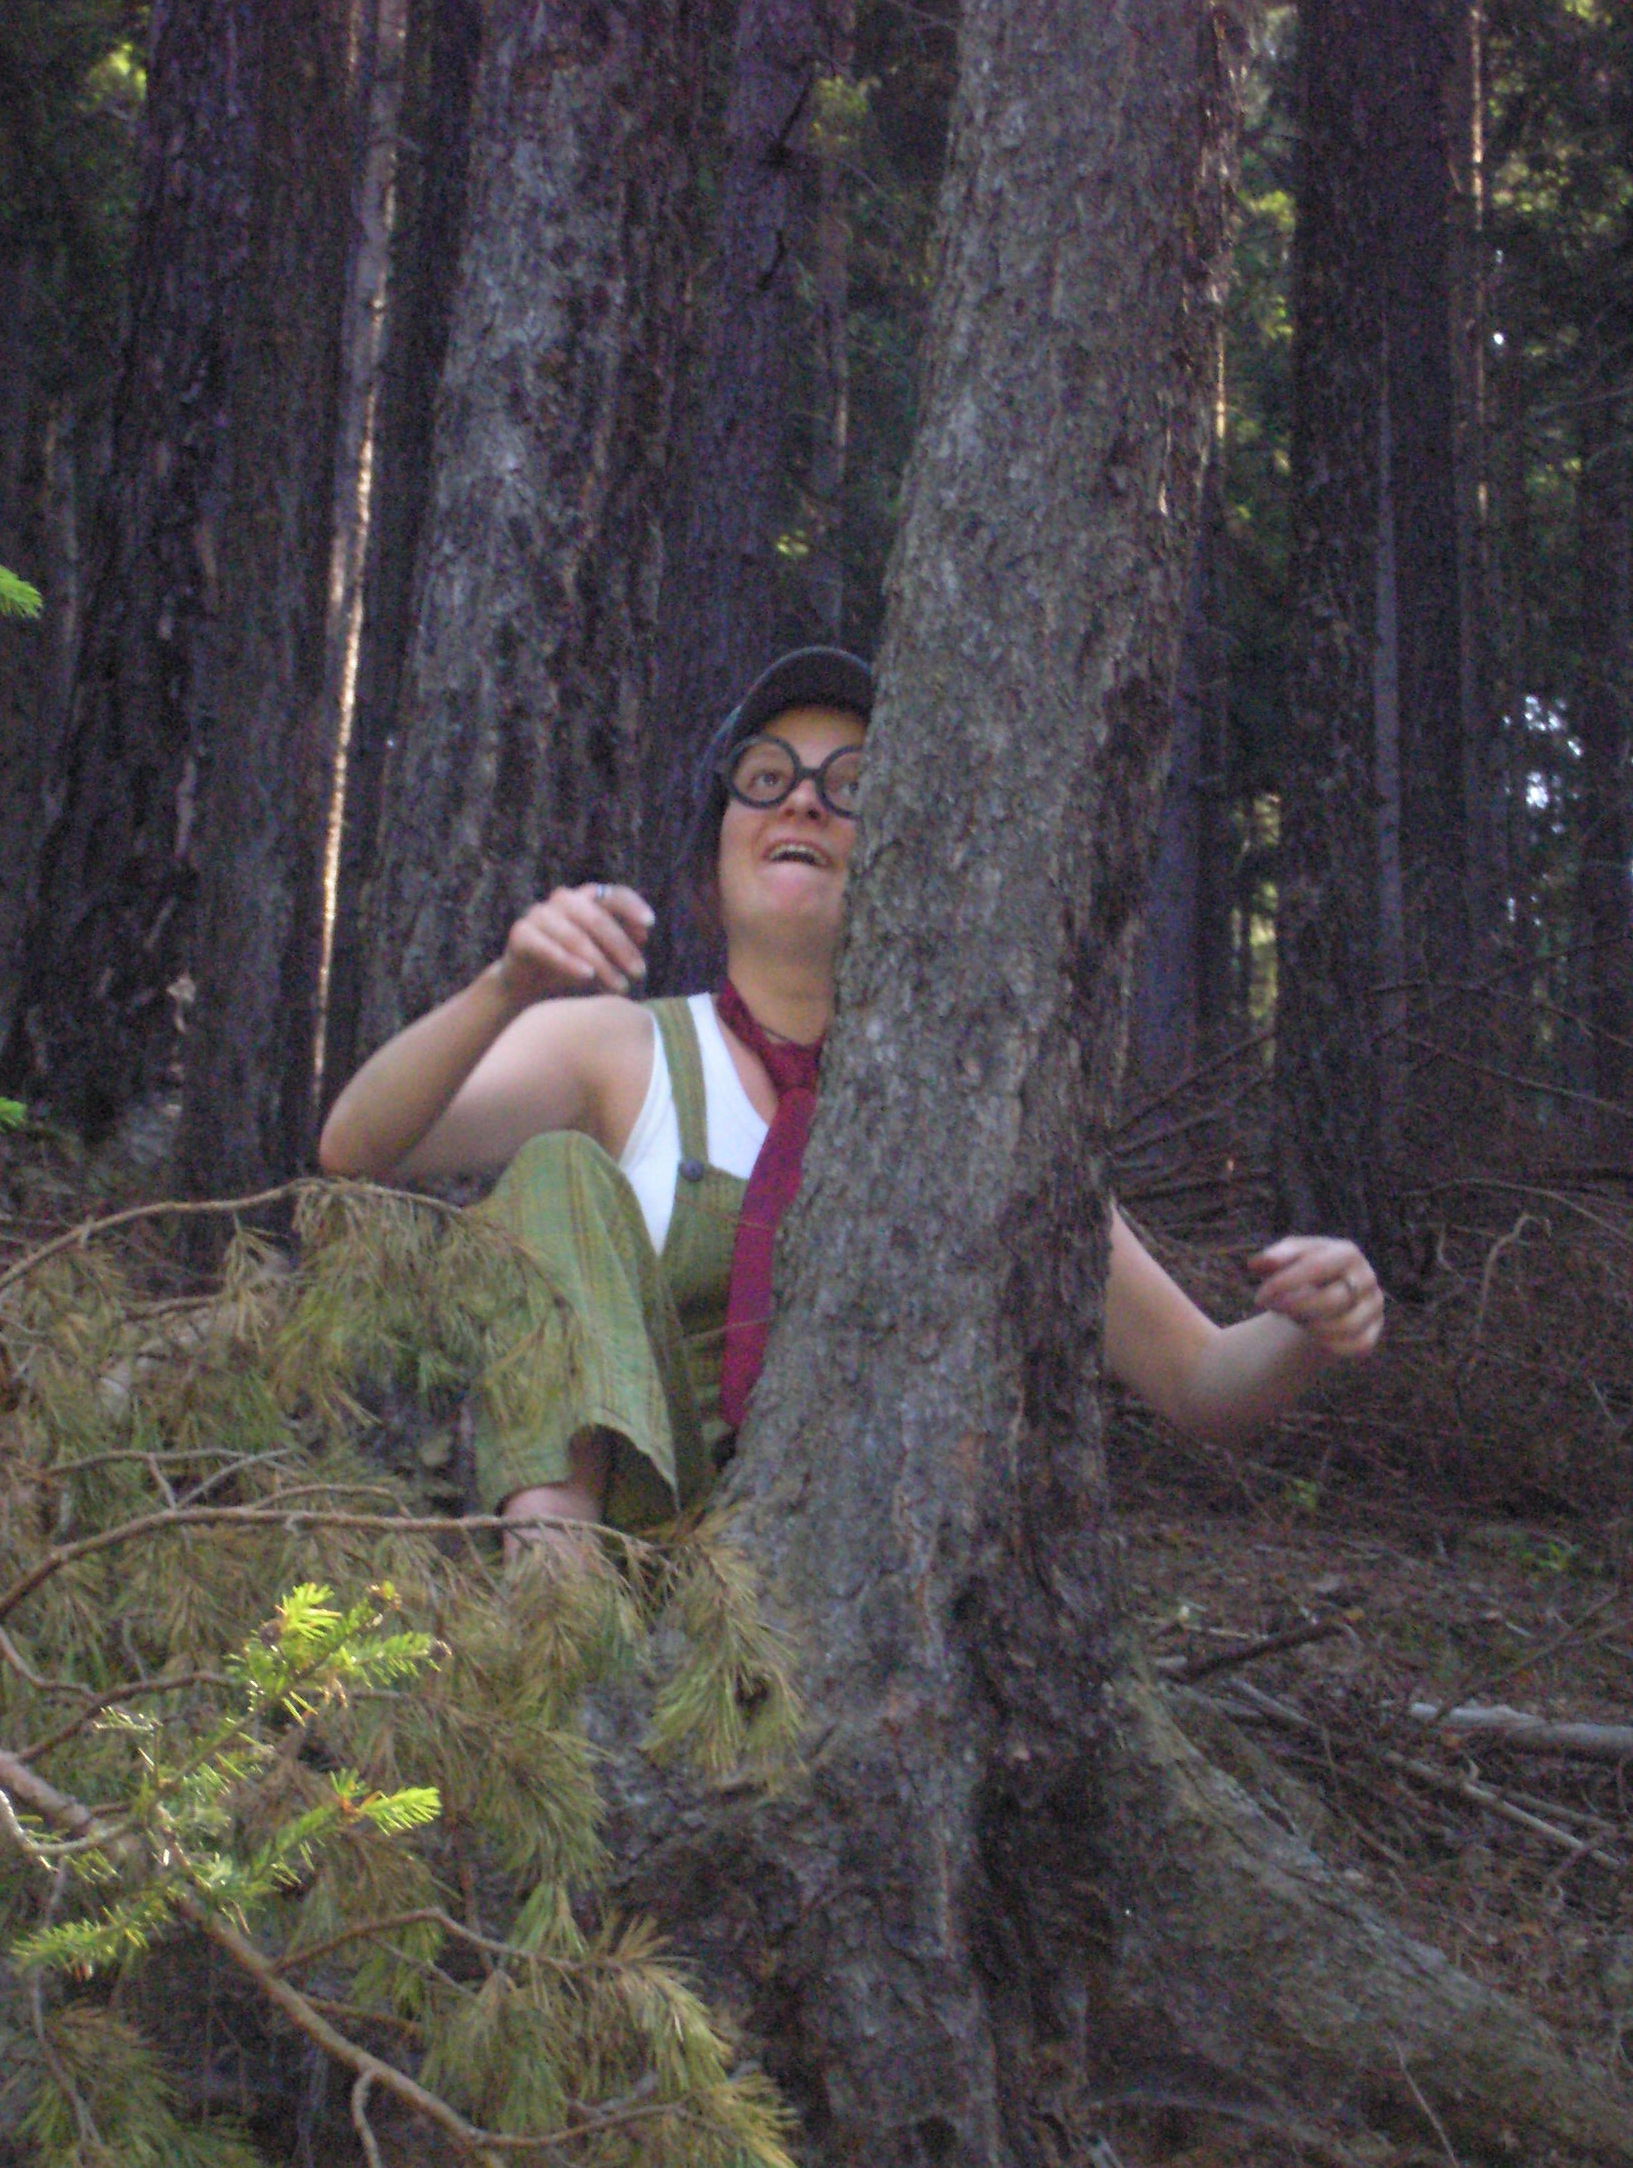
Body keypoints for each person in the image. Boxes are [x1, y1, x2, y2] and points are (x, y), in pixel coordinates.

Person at [319, 648, 1384, 1538]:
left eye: (855, 787)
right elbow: (359, 1145)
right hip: (631, 1568)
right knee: (557, 1170)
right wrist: (505, 988)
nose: (806, 801)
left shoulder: (972, 1114)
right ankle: (554, 1600)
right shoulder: (617, 1049)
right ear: (713, 857)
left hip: (846, 1594)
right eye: (766, 776)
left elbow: (1200, 1381)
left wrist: (1312, 1328)